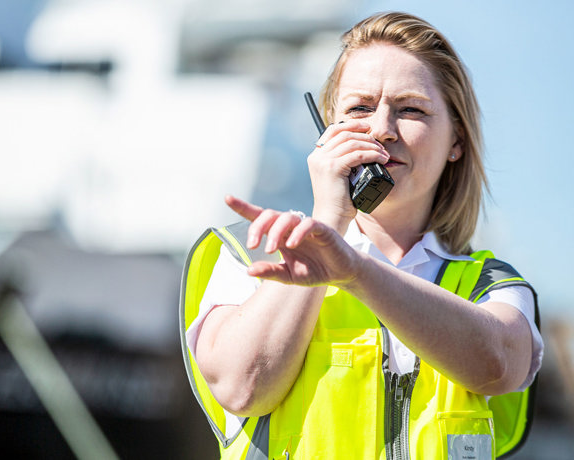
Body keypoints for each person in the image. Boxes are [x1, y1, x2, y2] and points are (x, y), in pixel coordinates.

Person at [180, 11, 543, 460]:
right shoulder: (254, 248)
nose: (381, 129)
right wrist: (329, 219)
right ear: (327, 131)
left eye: (411, 109)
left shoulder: (491, 285)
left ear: (457, 141)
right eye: (359, 108)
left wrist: (355, 272)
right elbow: (241, 386)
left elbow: (498, 365)